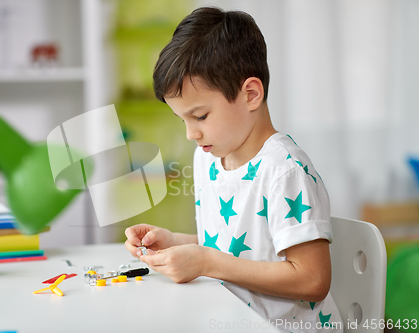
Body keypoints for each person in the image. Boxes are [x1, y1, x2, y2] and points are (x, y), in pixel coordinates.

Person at [124, 7, 343, 333]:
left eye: (200, 116)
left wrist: (205, 262)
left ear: (250, 94)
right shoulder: (207, 158)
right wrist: (174, 243)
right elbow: (236, 244)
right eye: (181, 119)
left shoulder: (285, 171)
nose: (190, 134)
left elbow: (313, 280)